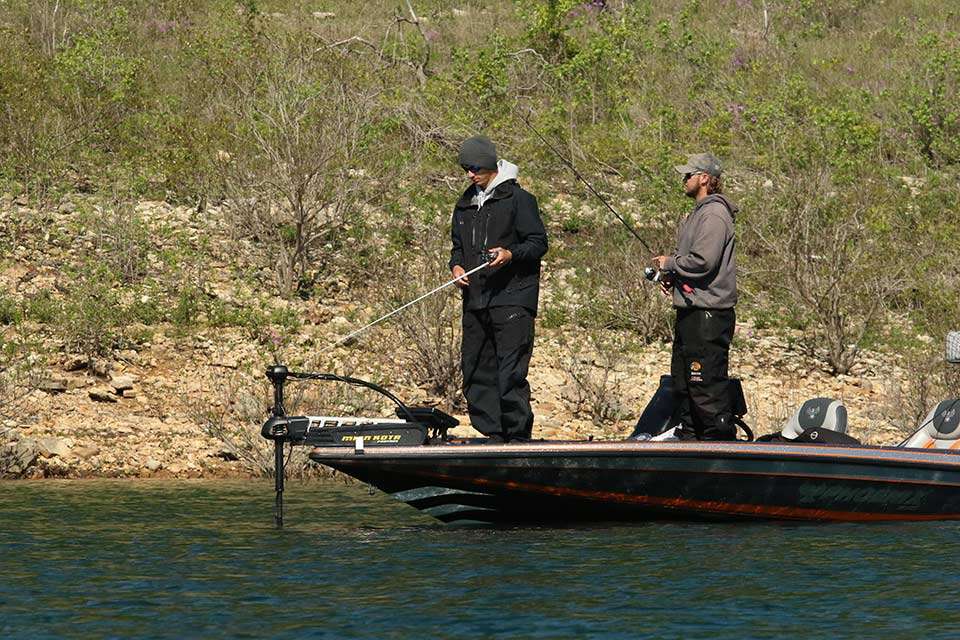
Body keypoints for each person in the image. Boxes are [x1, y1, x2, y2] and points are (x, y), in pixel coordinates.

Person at [449, 135, 548, 442]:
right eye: (466, 168)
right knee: (476, 369)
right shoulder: (464, 204)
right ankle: (493, 434)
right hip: (476, 299)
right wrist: (456, 267)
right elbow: (456, 248)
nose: (470, 174)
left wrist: (509, 254)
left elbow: (538, 244)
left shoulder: (520, 200)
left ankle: (517, 437)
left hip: (513, 299)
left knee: (510, 372)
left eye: (475, 167)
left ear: (491, 165)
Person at [651, 152, 739, 441]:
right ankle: (691, 442)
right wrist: (673, 278)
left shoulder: (714, 214)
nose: (683, 180)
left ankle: (719, 449)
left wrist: (670, 263)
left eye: (688, 175)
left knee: (705, 386)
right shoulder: (699, 213)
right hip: (692, 312)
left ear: (704, 178)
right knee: (684, 383)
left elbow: (703, 261)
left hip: (708, 315)